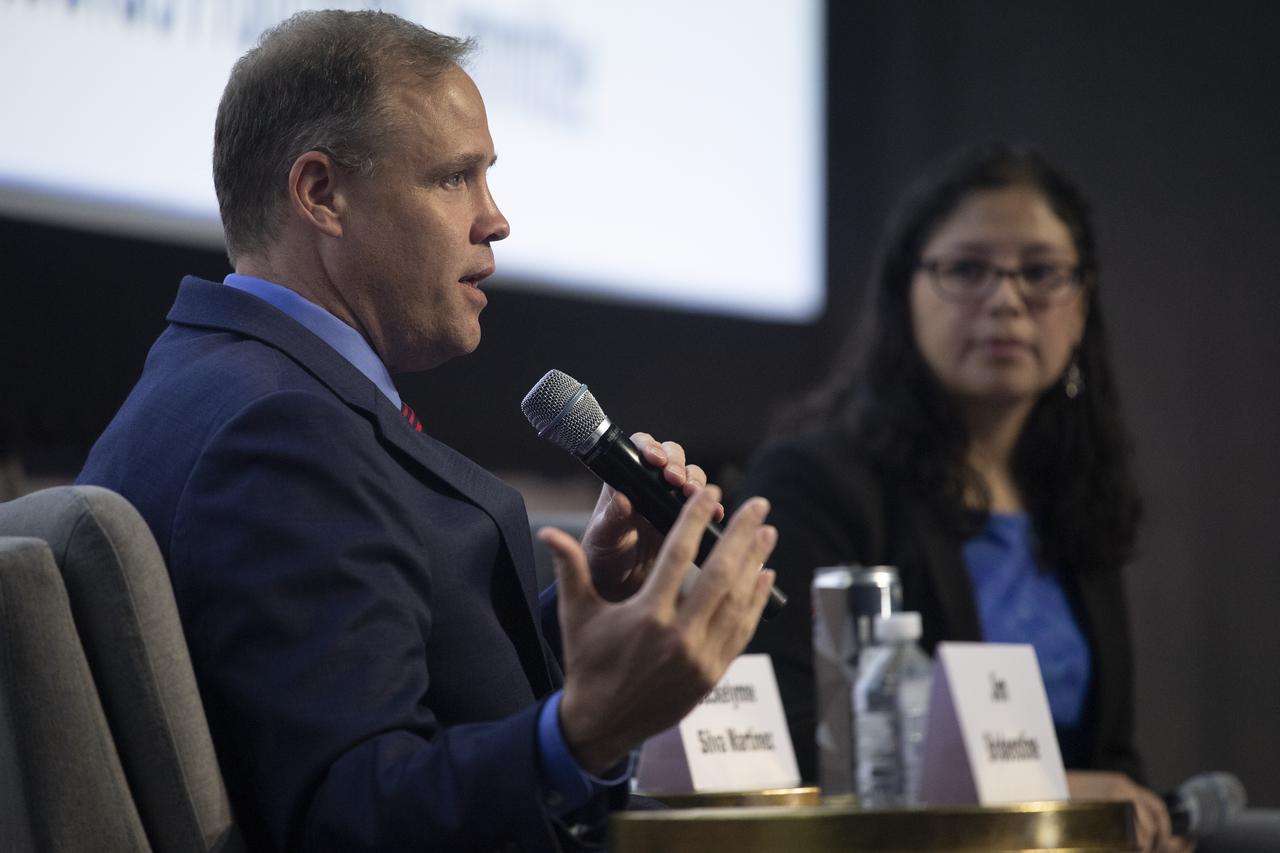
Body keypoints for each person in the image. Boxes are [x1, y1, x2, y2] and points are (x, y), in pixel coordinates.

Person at [77, 11, 777, 852]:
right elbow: (350, 814)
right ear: (320, 194)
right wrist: (582, 733)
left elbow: (390, 683)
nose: (496, 219)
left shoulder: (212, 379)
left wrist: (587, 611)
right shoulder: (280, 435)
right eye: (455, 179)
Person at [738, 143, 1188, 852]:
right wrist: (1047, 792)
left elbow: (1110, 760)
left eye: (1041, 272)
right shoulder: (814, 484)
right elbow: (790, 740)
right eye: (967, 269)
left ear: (1082, 301)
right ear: (904, 294)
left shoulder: (1075, 494)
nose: (1006, 299)